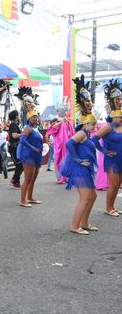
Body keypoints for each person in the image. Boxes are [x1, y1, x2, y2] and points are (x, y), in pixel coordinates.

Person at [61, 81, 98, 235]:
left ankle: (84, 222)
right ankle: (75, 226)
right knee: (84, 198)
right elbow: (69, 144)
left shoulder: (87, 134)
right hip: (80, 169)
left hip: (85, 168)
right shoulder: (82, 133)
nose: (95, 126)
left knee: (93, 195)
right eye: (92, 124)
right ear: (86, 123)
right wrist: (76, 159)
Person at [91, 78, 122, 217]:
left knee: (118, 184)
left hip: (120, 159)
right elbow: (94, 139)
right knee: (113, 183)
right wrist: (104, 151)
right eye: (118, 117)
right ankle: (108, 208)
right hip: (112, 159)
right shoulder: (107, 128)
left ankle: (112, 206)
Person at [18, 110, 43, 207]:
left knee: (33, 179)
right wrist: (33, 148)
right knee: (28, 179)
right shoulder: (28, 128)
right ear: (28, 119)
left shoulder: (36, 129)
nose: (36, 119)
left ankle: (30, 197)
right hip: (29, 156)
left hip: (37, 156)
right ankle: (22, 200)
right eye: (33, 117)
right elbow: (22, 140)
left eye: (36, 117)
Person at [8, 110, 23, 188]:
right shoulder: (13, 125)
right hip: (14, 147)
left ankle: (15, 180)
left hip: (16, 147)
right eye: (18, 115)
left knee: (20, 164)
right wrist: (23, 134)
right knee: (19, 164)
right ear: (16, 116)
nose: (19, 116)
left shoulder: (15, 124)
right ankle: (15, 180)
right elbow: (14, 135)